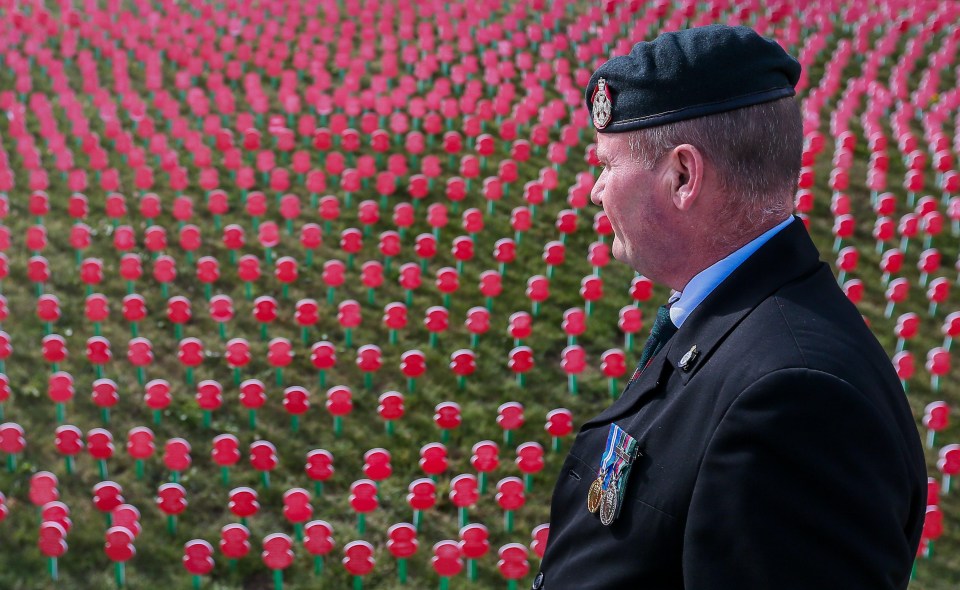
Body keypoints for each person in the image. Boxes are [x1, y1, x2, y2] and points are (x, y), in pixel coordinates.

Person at [535, 25, 926, 589]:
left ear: (683, 176)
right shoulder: (737, 324)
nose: (595, 191)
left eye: (607, 165)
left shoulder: (795, 401)